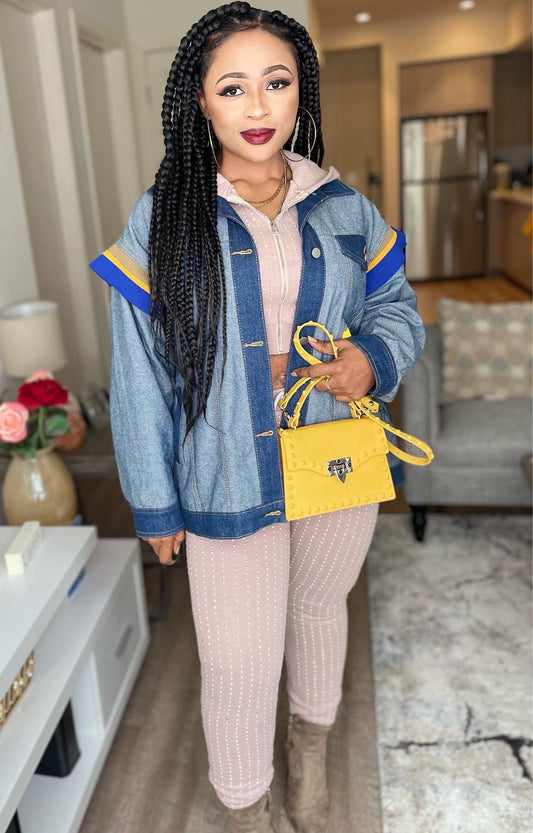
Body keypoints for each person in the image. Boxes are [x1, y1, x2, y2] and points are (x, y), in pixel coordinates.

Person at [90, 4, 425, 831]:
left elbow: (395, 307)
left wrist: (369, 357)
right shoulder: (163, 218)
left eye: (275, 82)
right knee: (239, 663)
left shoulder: (342, 206)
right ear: (200, 102)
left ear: (299, 89)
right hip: (224, 469)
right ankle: (247, 813)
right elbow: (137, 372)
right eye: (232, 87)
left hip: (335, 453)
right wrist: (155, 502)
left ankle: (308, 773)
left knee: (318, 613)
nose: (257, 105)